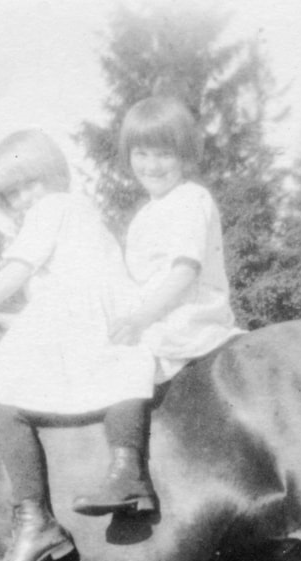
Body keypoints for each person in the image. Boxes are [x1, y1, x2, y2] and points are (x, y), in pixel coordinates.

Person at [0, 129, 156, 561]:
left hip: (83, 321)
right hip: (97, 320)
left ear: (55, 177)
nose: (22, 199)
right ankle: (124, 468)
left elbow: (16, 273)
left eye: (29, 183)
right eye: (11, 194)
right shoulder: (80, 216)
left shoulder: (53, 208)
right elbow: (43, 312)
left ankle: (34, 520)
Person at [71, 95, 242, 516]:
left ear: (185, 156)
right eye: (141, 154)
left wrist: (139, 319)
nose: (151, 165)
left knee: (123, 358)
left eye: (163, 154)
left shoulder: (190, 199)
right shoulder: (148, 213)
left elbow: (183, 273)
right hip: (159, 312)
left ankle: (128, 470)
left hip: (187, 314)